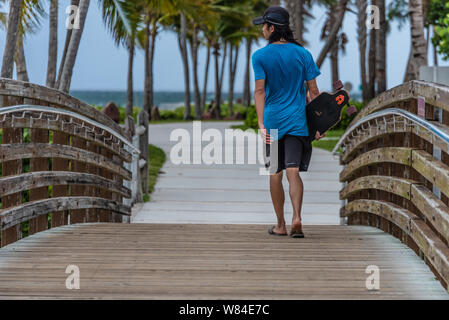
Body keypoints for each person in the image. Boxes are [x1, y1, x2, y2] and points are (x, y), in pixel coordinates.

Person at [252, 6, 325, 238]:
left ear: (272, 28)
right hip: (297, 122)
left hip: (273, 123)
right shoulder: (303, 54)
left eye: (264, 26)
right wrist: (320, 125)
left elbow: (260, 91)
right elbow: (314, 92)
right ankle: (297, 217)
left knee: (275, 172)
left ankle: (281, 225)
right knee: (293, 171)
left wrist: (261, 124)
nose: (262, 30)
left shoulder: (260, 56)